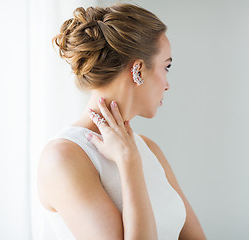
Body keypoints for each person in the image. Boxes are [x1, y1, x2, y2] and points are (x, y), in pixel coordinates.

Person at [37, 3, 206, 240]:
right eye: (166, 67)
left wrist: (133, 155)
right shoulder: (63, 157)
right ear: (138, 70)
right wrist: (129, 163)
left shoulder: (149, 149)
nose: (168, 84)